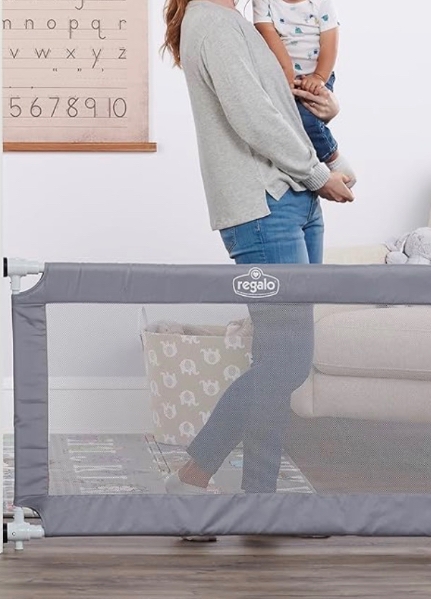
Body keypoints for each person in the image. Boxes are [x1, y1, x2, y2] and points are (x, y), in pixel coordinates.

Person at [162, 0, 354, 495]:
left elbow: (282, 109)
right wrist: (319, 175)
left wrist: (329, 117)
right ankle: (194, 472)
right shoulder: (212, 22)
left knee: (277, 360)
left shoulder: (237, 23)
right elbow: (252, 118)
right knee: (287, 361)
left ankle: (259, 500)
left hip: (295, 199)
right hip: (265, 208)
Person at [253, 0, 356, 187]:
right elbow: (266, 31)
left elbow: (330, 42)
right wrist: (286, 73)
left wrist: (319, 77)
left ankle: (332, 157)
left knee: (307, 119)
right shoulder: (264, 2)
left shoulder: (320, 3)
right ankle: (301, 170)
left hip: (317, 74)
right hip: (282, 77)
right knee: (282, 124)